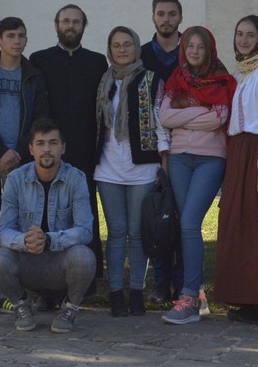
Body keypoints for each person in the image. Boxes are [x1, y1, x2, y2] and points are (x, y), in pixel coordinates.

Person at [0, 16, 50, 315]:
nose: (17, 41)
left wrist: (17, 153)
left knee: (16, 229)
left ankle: (10, 291)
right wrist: (1, 150)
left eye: (22, 36)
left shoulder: (34, 76)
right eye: (11, 36)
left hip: (21, 162)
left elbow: (39, 119)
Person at [0, 119, 97, 334]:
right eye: (40, 143)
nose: (47, 149)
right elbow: (4, 231)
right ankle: (22, 305)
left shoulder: (76, 178)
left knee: (84, 257)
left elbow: (85, 230)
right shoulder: (15, 179)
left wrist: (49, 239)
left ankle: (70, 308)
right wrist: (25, 241)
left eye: (53, 143)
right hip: (26, 259)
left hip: (61, 261)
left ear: (62, 148)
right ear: (31, 149)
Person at [29, 4, 108, 295]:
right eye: (65, 21)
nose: (70, 26)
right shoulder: (40, 59)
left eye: (76, 22)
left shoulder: (97, 62)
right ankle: (45, 284)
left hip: (85, 149)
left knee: (84, 212)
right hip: (49, 151)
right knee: (47, 213)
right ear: (56, 25)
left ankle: (87, 281)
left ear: (83, 26)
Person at [157, 26, 234, 325]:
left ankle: (188, 296)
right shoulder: (176, 80)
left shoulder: (221, 79)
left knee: (190, 221)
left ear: (210, 50)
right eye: (190, 46)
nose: (195, 51)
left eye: (201, 47)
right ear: (183, 48)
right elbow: (165, 117)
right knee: (184, 223)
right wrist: (199, 114)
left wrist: (183, 120)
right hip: (178, 159)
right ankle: (198, 295)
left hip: (210, 159)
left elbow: (220, 117)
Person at [93, 25, 167, 317]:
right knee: (116, 233)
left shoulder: (151, 79)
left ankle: (136, 291)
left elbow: (161, 124)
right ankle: (115, 294)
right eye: (116, 45)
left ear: (137, 47)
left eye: (127, 44)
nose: (122, 50)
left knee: (137, 233)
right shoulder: (104, 81)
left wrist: (163, 165)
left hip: (142, 168)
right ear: (109, 49)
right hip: (108, 168)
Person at [215, 14, 258, 324]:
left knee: (257, 227)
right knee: (236, 223)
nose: (243, 40)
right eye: (239, 34)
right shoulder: (242, 72)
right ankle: (241, 298)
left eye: (250, 35)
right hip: (238, 151)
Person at [139, 0, 182, 301]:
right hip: (150, 145)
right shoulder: (141, 57)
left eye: (171, 14)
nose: (166, 19)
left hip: (188, 144)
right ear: (153, 17)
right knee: (158, 216)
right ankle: (158, 285)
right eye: (161, 14)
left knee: (183, 219)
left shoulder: (193, 51)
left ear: (180, 17)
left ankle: (184, 286)